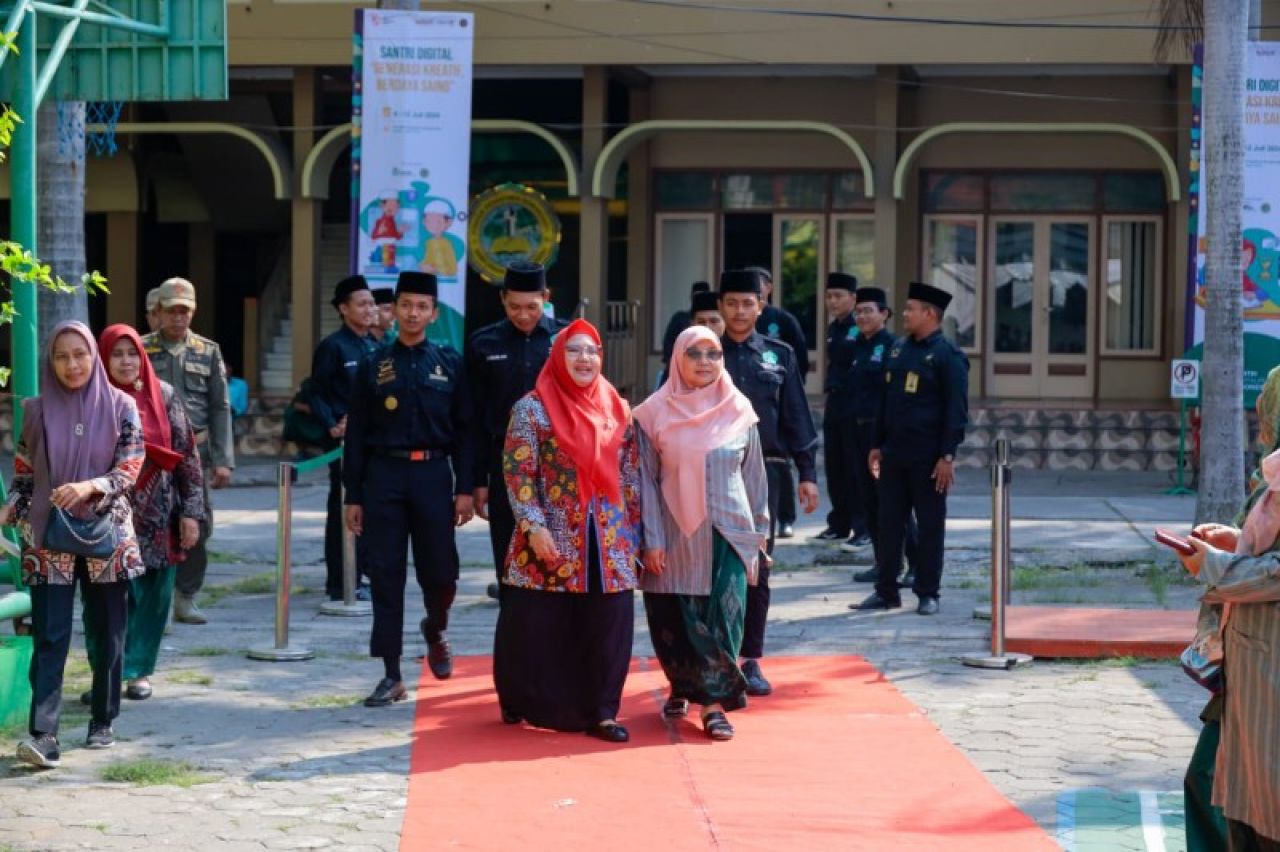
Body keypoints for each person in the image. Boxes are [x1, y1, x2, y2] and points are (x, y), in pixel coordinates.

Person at [1, 322, 145, 768]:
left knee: (107, 632)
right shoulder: (37, 410)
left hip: (107, 532)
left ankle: (102, 719)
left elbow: (131, 467)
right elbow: (25, 474)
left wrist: (90, 486)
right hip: (49, 536)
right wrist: (11, 505)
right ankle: (44, 735)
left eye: (80, 354)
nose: (72, 364)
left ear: (93, 357)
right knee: (50, 634)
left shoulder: (122, 406)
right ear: (52, 362)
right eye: (62, 356)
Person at [493, 319, 640, 743]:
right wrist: (533, 526)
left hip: (608, 536)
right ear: (557, 357)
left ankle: (603, 710)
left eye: (591, 350)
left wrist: (633, 534)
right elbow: (519, 472)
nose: (584, 358)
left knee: (609, 622)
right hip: (551, 532)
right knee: (538, 623)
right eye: (574, 350)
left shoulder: (618, 407)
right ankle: (527, 699)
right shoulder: (532, 408)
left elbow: (629, 475)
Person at [344, 270, 475, 707]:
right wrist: (354, 495)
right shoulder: (374, 366)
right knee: (385, 574)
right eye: (405, 305)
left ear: (434, 313)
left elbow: (465, 429)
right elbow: (358, 433)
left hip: (434, 476)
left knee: (441, 571)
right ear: (393, 310)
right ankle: (391, 672)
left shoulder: (450, 363)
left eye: (422, 306)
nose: (413, 313)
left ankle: (436, 627)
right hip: (385, 476)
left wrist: (466, 486)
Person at [635, 325, 770, 741]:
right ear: (678, 358)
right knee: (675, 620)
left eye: (713, 354)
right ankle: (683, 684)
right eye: (695, 354)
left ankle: (713, 706)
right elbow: (645, 482)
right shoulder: (653, 413)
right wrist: (652, 538)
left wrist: (759, 535)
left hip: (730, 530)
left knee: (725, 618)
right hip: (675, 533)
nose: (706, 363)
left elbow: (755, 476)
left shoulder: (739, 408)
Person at [1182, 366, 1280, 851]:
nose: (1262, 416)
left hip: (1269, 671)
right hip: (1246, 667)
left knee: (1252, 804)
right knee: (1232, 795)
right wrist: (1228, 544)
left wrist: (1216, 565)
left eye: (1269, 405)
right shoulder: (1271, 476)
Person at [89, 325, 204, 703]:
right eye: (117, 353)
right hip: (106, 516)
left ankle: (139, 672)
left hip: (159, 516)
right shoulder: (90, 399)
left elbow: (187, 457)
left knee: (153, 596)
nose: (125, 361)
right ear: (103, 358)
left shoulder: (165, 395)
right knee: (104, 598)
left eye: (132, 353)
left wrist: (191, 512)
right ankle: (105, 672)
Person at [719, 269, 820, 696]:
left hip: (768, 472)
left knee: (757, 567)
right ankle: (713, 658)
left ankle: (750, 658)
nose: (740, 311)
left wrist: (808, 473)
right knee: (711, 567)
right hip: (713, 474)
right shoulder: (704, 352)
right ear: (721, 307)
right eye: (732, 303)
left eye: (749, 303)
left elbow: (796, 413)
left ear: (762, 306)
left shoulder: (778, 355)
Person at [857, 282, 968, 616]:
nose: (904, 315)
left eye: (910, 309)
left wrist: (948, 455)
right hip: (894, 454)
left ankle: (928, 592)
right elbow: (886, 401)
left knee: (931, 525)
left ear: (930, 314)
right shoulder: (897, 350)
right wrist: (877, 444)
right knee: (890, 523)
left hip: (929, 458)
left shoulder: (948, 356)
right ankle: (886, 590)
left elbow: (956, 412)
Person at [466, 261, 567, 601]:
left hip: (557, 465)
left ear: (546, 297)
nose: (523, 315)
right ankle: (513, 627)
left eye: (532, 307)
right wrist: (476, 481)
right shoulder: (483, 344)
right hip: (502, 460)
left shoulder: (566, 342)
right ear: (502, 300)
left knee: (558, 553)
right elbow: (474, 418)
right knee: (508, 551)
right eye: (514, 307)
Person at [142, 277, 234, 625]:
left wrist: (224, 460)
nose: (178, 318)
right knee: (153, 525)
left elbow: (220, 407)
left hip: (195, 452)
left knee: (199, 525)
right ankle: (156, 601)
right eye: (171, 311)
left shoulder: (207, 351)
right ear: (159, 312)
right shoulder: (140, 348)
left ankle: (186, 596)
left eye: (185, 311)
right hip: (152, 453)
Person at [308, 275, 378, 602]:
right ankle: (339, 581)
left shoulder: (374, 346)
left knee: (370, 508)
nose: (369, 310)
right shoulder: (333, 347)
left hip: (374, 442)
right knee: (343, 508)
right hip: (343, 444)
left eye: (371, 304)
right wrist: (332, 424)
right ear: (343, 308)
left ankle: (362, 573)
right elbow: (315, 391)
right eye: (362, 304)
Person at [844, 285, 919, 587]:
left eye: (868, 311)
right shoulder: (857, 346)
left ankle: (915, 564)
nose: (861, 316)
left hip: (884, 433)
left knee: (897, 503)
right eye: (858, 311)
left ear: (885, 314)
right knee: (870, 502)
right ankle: (883, 562)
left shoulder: (893, 346)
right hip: (858, 430)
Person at [813, 272, 871, 550]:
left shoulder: (859, 327)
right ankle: (839, 523)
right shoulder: (834, 328)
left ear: (853, 298)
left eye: (838, 296)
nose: (832, 302)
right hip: (835, 402)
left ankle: (863, 527)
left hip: (855, 405)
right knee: (834, 466)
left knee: (854, 467)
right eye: (829, 296)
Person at [752, 266, 810, 540]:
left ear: (769, 289)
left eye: (760, 287)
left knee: (780, 470)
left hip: (775, 409)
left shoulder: (782, 320)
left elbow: (799, 354)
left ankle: (786, 518)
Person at [660, 281, 711, 367]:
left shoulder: (716, 321)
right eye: (696, 297)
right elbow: (668, 345)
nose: (699, 300)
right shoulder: (680, 318)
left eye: (702, 296)